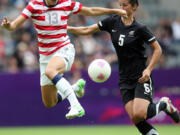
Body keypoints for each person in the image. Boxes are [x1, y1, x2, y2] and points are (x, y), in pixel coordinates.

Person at [1, 0, 127, 119]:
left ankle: (75, 106)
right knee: (50, 102)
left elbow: (91, 10)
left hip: (64, 49)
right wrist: (8, 26)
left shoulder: (66, 3)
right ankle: (75, 88)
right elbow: (14, 25)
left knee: (51, 71)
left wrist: (113, 10)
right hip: (45, 57)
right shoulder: (34, 5)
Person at [67, 0, 180, 133]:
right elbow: (87, 29)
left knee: (139, 114)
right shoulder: (113, 21)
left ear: (134, 7)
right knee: (135, 118)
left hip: (140, 77)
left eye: (125, 5)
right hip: (124, 79)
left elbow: (158, 49)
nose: (122, 8)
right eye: (120, 5)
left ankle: (164, 104)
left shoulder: (140, 28)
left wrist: (148, 70)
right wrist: (66, 29)